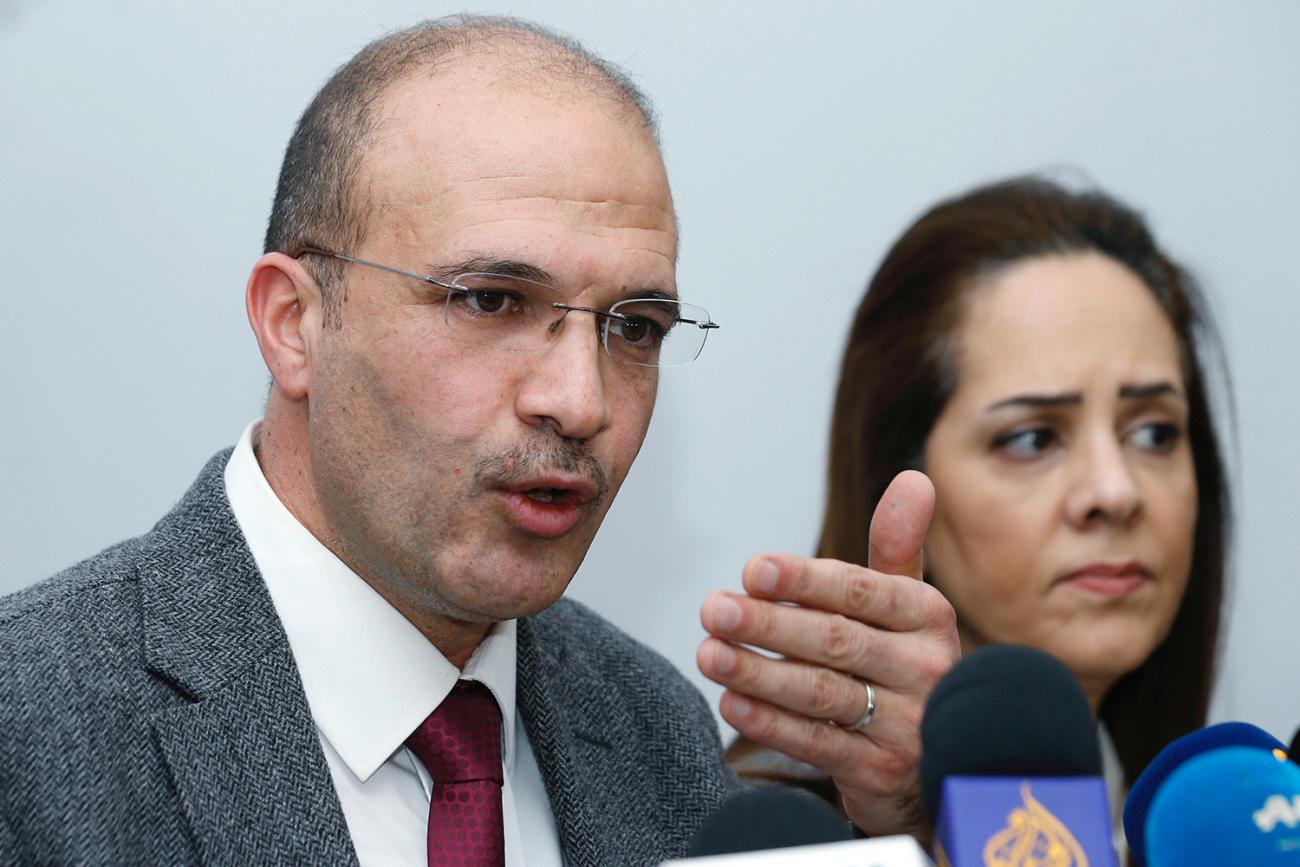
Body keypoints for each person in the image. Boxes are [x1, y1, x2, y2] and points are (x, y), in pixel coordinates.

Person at [0, 15, 959, 865]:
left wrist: (912, 829)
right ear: (294, 321)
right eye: (491, 301)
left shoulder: (655, 729)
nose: (580, 400)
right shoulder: (29, 727)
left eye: (634, 328)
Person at [719, 175, 1231, 861]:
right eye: (1033, 438)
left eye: (1154, 433)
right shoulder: (770, 833)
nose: (1115, 491)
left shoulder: (1227, 822)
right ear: (899, 479)